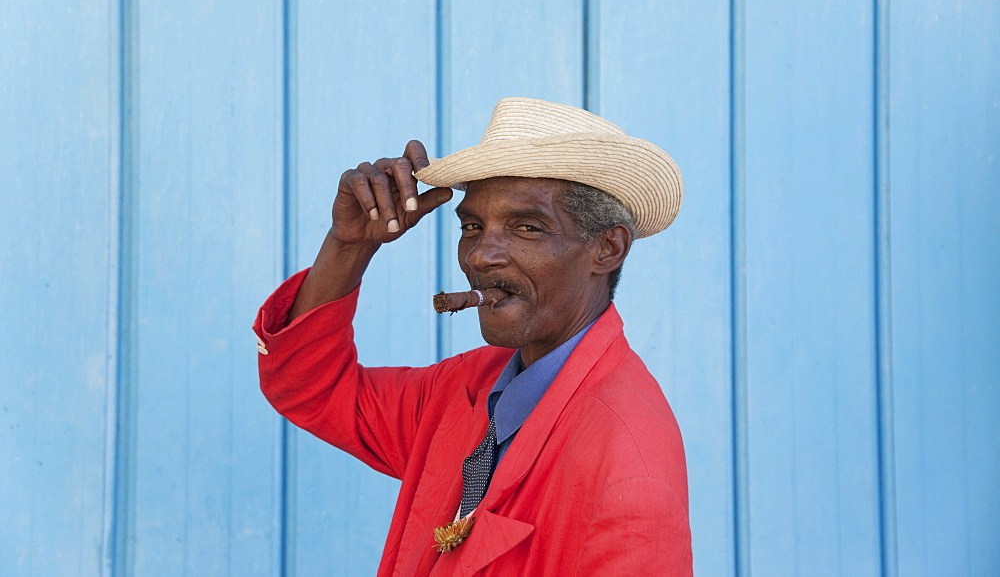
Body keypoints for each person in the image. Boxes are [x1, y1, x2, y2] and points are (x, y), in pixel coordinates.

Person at [254, 97, 692, 575]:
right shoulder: (463, 390)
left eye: (527, 227)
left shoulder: (629, 469)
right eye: (472, 226)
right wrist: (348, 246)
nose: (480, 256)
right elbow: (308, 387)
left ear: (607, 248)